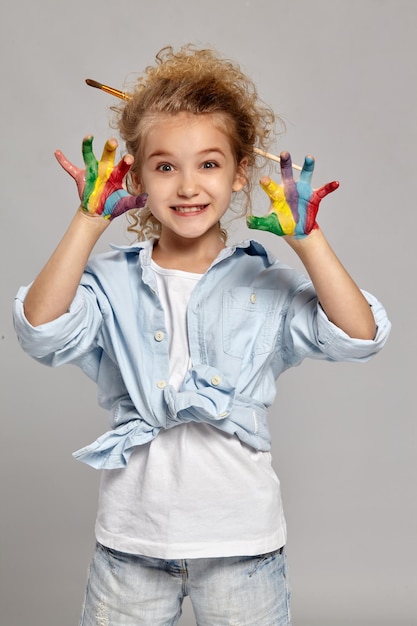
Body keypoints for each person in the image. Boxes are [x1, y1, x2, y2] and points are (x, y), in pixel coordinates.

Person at [13, 44, 391, 626]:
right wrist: (87, 222)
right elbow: (40, 330)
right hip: (130, 544)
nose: (188, 185)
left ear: (241, 172)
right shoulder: (109, 282)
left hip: (243, 543)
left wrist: (309, 240)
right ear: (136, 175)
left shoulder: (263, 282)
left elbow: (358, 335)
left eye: (209, 164)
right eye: (165, 166)